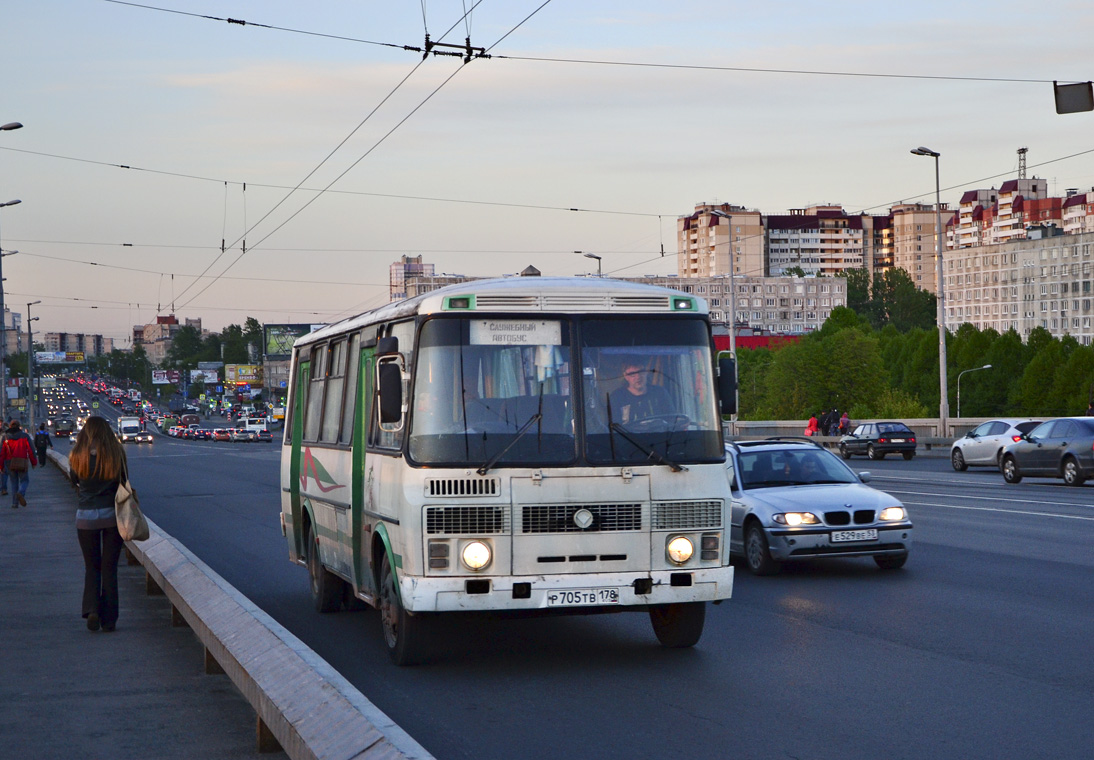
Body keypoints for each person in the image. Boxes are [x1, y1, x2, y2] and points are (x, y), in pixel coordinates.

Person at [68, 416, 129, 633]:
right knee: (109, 568)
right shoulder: (116, 453)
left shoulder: (77, 454)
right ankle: (109, 620)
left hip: (85, 516)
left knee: (91, 566)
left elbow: (74, 479)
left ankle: (92, 609)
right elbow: (124, 480)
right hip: (112, 516)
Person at [1, 421, 38, 508]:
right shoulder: (25, 436)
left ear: (10, 426)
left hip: (9, 462)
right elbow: (31, 450)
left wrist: (1, 466)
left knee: (14, 482)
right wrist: (34, 462)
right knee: (24, 480)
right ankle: (21, 492)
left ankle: (14, 503)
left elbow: (2, 453)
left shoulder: (5, 437)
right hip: (22, 461)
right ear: (19, 426)